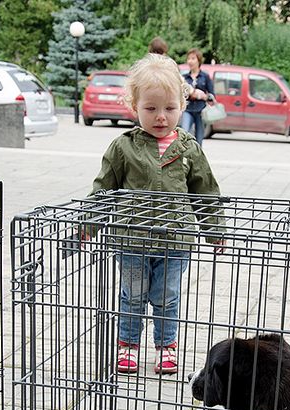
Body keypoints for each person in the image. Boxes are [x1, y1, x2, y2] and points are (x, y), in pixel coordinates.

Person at [85, 54, 225, 375]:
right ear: (134, 107)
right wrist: (88, 226)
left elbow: (206, 192)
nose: (161, 117)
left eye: (169, 109)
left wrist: (215, 230)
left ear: (183, 104)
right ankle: (128, 345)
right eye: (150, 109)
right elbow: (103, 188)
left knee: (167, 296)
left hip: (175, 240)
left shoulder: (189, 148)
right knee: (133, 295)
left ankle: (166, 346)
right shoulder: (123, 147)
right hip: (131, 238)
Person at [181, 48, 215, 146]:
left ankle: (197, 158)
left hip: (201, 110)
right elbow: (180, 94)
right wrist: (189, 93)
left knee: (199, 138)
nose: (190, 61)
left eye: (193, 58)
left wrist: (203, 96)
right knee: (184, 134)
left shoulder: (205, 76)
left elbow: (212, 96)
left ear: (198, 60)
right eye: (188, 59)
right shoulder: (185, 77)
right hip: (188, 109)